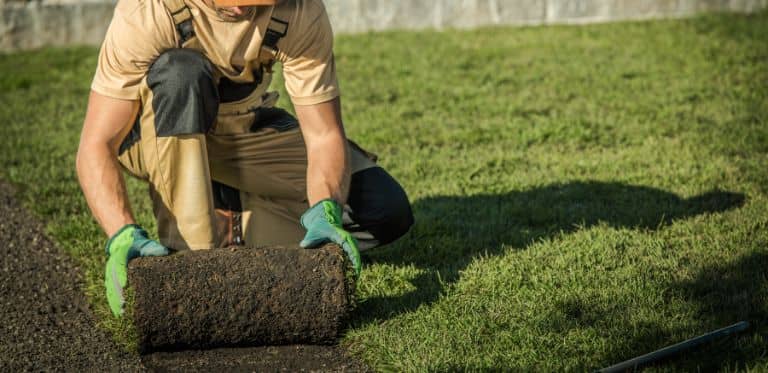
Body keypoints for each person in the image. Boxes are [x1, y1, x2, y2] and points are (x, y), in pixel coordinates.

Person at [76, 0, 414, 316]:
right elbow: (97, 144)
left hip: (245, 130)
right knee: (181, 72)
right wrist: (122, 234)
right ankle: (190, 259)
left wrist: (326, 211)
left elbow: (324, 135)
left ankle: (231, 219)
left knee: (383, 211)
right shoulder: (150, 11)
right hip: (159, 136)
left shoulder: (298, 10)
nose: (241, 8)